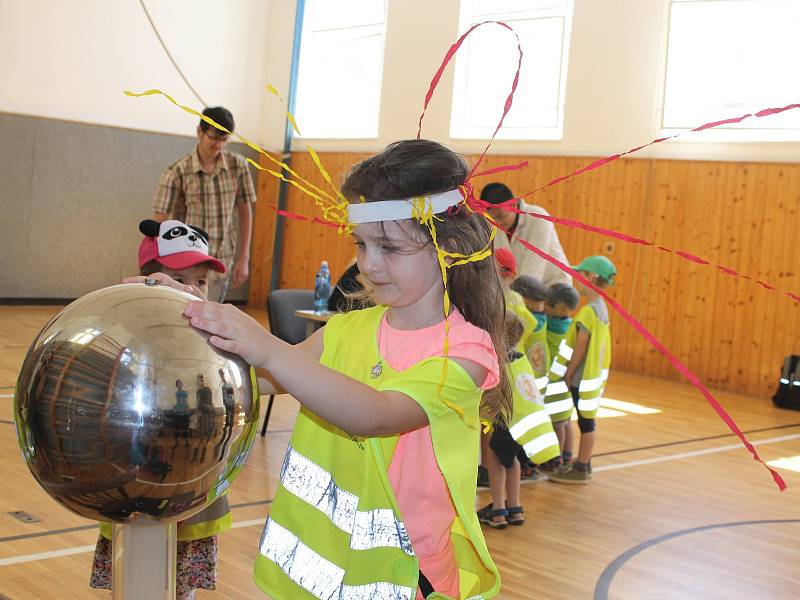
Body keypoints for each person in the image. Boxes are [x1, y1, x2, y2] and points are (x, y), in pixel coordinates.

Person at [177, 139, 508, 599]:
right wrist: (180, 314)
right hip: (327, 570)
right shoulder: (346, 330)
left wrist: (268, 349)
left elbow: (375, 413)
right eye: (362, 243)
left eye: (390, 248)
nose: (368, 264)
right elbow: (260, 378)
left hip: (403, 576)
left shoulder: (465, 354)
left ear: (447, 247)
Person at [90, 219, 232, 600]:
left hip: (193, 478)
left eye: (200, 281)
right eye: (176, 277)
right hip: (136, 476)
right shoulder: (125, 327)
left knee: (181, 579)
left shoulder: (216, 334)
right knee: (134, 572)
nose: (190, 290)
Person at [152, 106, 257, 302]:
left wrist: (244, 258)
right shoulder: (178, 171)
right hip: (186, 266)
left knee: (210, 320)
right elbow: (160, 221)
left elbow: (245, 212)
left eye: (224, 139)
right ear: (200, 132)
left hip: (220, 259)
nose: (218, 144)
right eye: (214, 137)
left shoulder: (238, 166)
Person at [477, 315, 560, 529]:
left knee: (495, 461)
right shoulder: (522, 359)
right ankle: (515, 507)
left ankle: (498, 511)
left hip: (506, 423)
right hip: (523, 428)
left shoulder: (498, 364)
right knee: (512, 461)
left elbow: (490, 396)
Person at [549, 256, 616, 485]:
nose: (576, 279)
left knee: (586, 423)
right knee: (587, 421)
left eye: (581, 274)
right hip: (592, 377)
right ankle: (583, 464)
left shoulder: (589, 312)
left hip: (581, 377)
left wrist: (569, 372)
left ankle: (581, 466)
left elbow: (581, 345)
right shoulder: (601, 309)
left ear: (591, 277)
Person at [480, 182, 571, 286]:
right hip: (523, 287)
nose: (498, 223)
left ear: (513, 204)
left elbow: (533, 269)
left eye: (501, 216)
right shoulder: (494, 226)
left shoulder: (538, 217)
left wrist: (516, 297)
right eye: (493, 218)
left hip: (554, 284)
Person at [542, 281, 581, 470]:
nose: (545, 307)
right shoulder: (571, 325)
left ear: (563, 308)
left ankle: (555, 458)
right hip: (565, 380)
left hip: (554, 381)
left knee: (557, 423)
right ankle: (567, 455)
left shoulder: (551, 325)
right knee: (565, 421)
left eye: (548, 304)